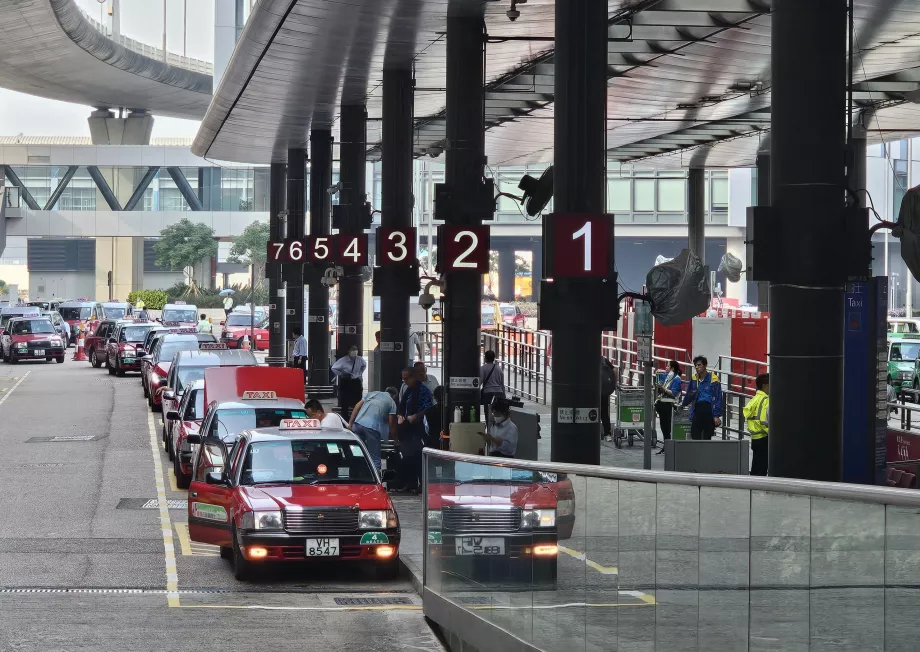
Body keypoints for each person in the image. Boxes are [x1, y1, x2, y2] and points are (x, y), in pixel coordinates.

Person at [393, 366, 433, 493]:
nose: (405, 381)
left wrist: (416, 416)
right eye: (403, 379)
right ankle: (410, 482)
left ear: (414, 377)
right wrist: (400, 415)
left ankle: (420, 483)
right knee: (407, 457)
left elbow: (428, 408)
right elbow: (401, 405)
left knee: (417, 457)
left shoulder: (423, 391)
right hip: (406, 428)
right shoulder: (407, 389)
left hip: (417, 429)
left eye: (407, 378)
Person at [348, 387, 398, 471]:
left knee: (357, 452)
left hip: (358, 424)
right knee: (374, 457)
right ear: (394, 396)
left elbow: (357, 406)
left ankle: (355, 472)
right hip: (372, 428)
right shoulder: (392, 403)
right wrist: (395, 439)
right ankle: (375, 479)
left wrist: (350, 424)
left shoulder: (372, 394)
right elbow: (391, 423)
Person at [681, 355, 723, 440]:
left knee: (707, 436)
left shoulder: (714, 379)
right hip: (697, 409)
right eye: (695, 365)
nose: (697, 367)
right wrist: (683, 404)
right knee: (695, 434)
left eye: (699, 365)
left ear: (705, 365)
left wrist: (716, 415)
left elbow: (718, 398)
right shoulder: (694, 378)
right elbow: (689, 394)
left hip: (708, 409)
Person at [655, 360, 683, 454]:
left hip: (669, 405)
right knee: (664, 427)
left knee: (667, 428)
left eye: (667, 366)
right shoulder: (668, 376)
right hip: (663, 404)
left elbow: (674, 393)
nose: (665, 368)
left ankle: (668, 446)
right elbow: (659, 378)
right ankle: (665, 446)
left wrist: (664, 389)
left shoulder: (677, 379)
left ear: (672, 368)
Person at [744, 373, 770, 476]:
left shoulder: (754, 399)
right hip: (764, 437)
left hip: (755, 438)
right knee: (762, 468)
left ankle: (752, 488)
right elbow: (764, 421)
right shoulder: (766, 400)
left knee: (756, 466)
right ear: (765, 385)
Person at [331, 345, 367, 419]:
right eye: (352, 350)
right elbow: (334, 368)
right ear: (349, 351)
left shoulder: (359, 359)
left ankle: (356, 417)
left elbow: (364, 366)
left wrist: (359, 373)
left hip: (356, 382)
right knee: (345, 402)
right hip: (346, 382)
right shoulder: (343, 360)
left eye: (355, 350)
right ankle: (345, 418)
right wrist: (341, 374)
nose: (354, 351)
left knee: (357, 401)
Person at [480, 350, 505, 426]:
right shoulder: (499, 369)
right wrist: (503, 396)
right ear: (494, 358)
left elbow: (480, 381)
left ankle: (490, 430)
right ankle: (498, 430)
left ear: (486, 358)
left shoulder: (483, 368)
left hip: (488, 393)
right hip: (499, 393)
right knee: (499, 414)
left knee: (488, 414)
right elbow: (502, 384)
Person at [600, 356, 616, 442]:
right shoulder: (603, 359)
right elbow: (614, 370)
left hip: (590, 392)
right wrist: (614, 384)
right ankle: (607, 434)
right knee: (604, 413)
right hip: (604, 390)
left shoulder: (585, 360)